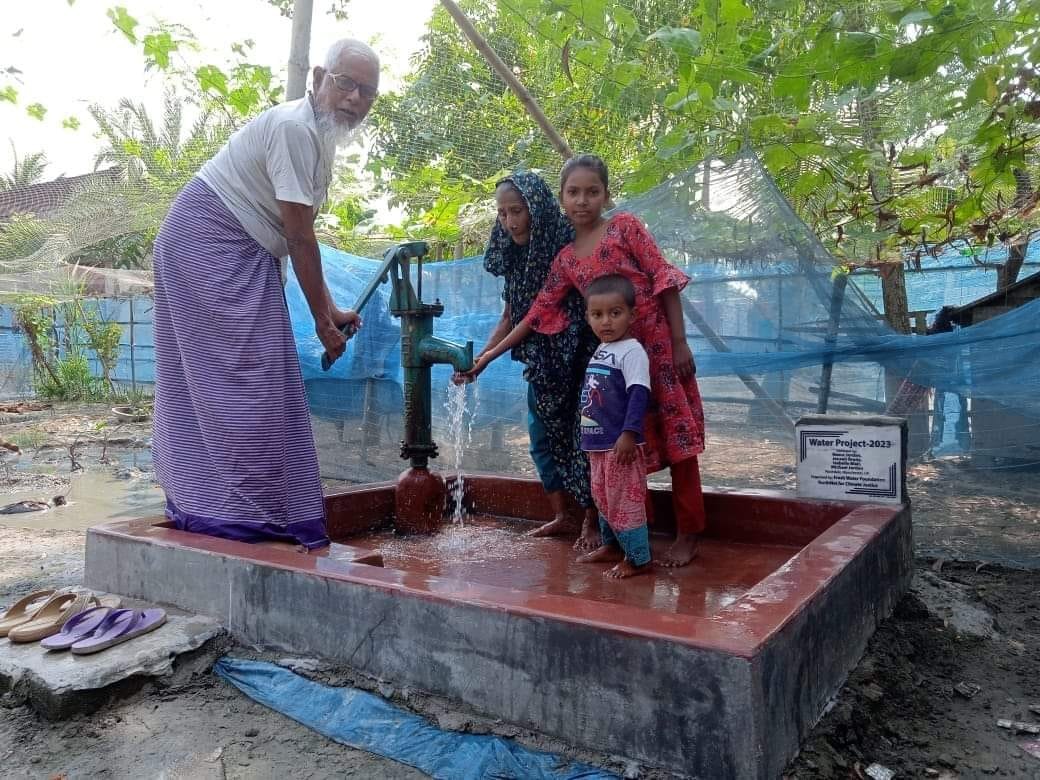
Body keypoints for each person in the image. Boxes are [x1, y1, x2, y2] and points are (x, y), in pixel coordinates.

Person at [151, 39, 380, 550]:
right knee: (240, 386)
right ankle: (232, 517)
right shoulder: (295, 128)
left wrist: (330, 307)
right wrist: (323, 320)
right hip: (207, 241)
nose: (354, 98)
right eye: (346, 83)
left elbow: (294, 233)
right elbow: (299, 236)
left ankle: (261, 514)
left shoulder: (318, 139)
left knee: (266, 381)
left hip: (244, 252)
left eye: (367, 91)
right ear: (318, 77)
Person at [464, 154, 708, 567]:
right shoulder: (566, 260)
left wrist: (680, 341)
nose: (582, 200)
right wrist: (488, 356)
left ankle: (689, 533)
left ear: (606, 195)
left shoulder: (625, 228)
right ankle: (632, 539)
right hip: (614, 365)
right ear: (561, 200)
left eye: (591, 191)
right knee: (625, 449)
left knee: (678, 440)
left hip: (659, 351)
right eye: (573, 192)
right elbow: (535, 313)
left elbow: (663, 279)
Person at [459, 173, 600, 550]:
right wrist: (479, 360)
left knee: (582, 438)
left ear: (535, 209)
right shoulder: (518, 258)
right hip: (541, 362)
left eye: (517, 211)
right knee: (540, 439)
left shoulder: (561, 249)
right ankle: (562, 515)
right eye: (502, 214)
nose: (510, 222)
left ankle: (591, 521)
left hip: (577, 358)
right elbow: (511, 316)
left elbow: (537, 316)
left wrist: (488, 357)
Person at [575, 275, 653, 578]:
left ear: (632, 315)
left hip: (620, 445)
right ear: (588, 317)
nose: (606, 322)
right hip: (597, 443)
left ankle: (638, 558)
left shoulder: (632, 351)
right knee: (603, 497)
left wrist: (629, 434)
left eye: (615, 313)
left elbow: (639, 393)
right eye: (597, 315)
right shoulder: (602, 348)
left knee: (625, 501)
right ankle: (612, 545)